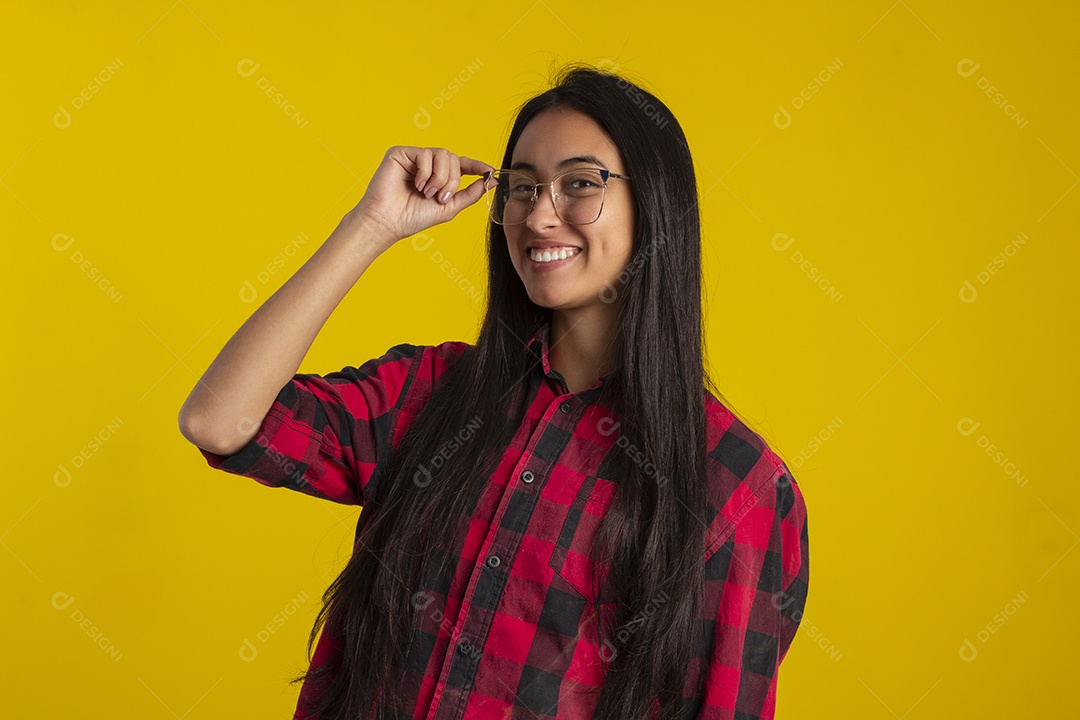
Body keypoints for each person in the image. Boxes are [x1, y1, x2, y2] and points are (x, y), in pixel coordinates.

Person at [178, 63, 809, 720]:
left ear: (655, 205)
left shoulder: (737, 488)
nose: (539, 214)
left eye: (579, 184)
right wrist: (371, 225)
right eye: (522, 187)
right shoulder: (430, 392)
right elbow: (220, 421)